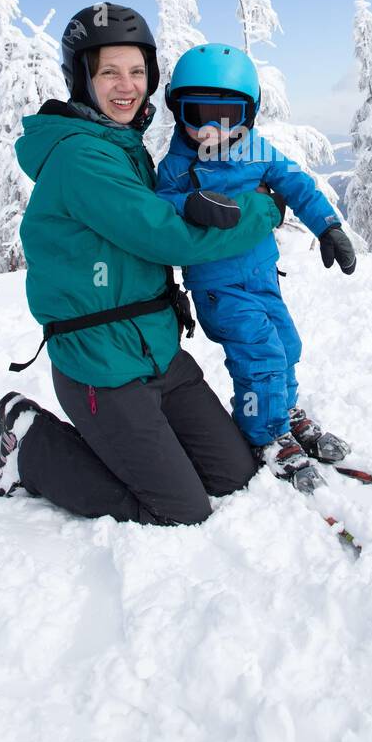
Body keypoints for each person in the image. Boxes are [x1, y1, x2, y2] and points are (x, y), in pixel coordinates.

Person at [0, 3, 286, 526]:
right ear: (81, 79)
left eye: (136, 71)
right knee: (179, 509)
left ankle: (137, 445)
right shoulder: (82, 157)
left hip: (156, 351)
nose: (126, 85)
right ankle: (30, 447)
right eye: (109, 71)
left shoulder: (119, 144)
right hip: (102, 367)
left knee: (234, 477)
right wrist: (262, 209)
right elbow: (168, 237)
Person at [154, 42, 357, 495]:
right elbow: (156, 212)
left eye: (225, 116)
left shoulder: (257, 151)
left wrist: (327, 227)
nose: (210, 128)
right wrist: (188, 201)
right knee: (258, 354)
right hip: (218, 287)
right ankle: (265, 435)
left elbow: (297, 184)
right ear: (176, 110)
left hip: (263, 274)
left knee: (285, 344)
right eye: (196, 112)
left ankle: (282, 412)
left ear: (249, 115)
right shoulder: (176, 169)